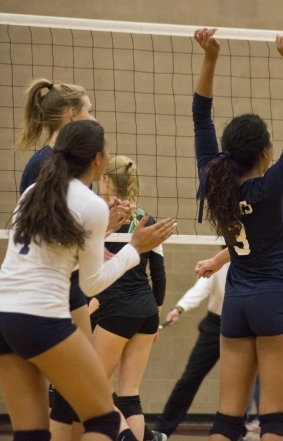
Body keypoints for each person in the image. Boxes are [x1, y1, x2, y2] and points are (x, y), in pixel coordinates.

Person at [0, 119, 175, 441]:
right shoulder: (90, 202)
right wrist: (135, 248)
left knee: (31, 432)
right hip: (40, 318)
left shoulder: (33, 191)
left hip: (4, 316)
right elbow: (90, 285)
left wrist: (102, 230)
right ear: (97, 158)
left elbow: (52, 247)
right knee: (104, 421)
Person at [193, 28, 283, 441]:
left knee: (227, 421)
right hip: (277, 296)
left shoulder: (213, 179)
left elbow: (200, 115)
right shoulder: (269, 187)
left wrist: (209, 58)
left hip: (237, 302)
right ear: (264, 153)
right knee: (276, 420)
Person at [17, 79, 132, 440]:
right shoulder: (45, 168)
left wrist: (105, 226)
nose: (93, 117)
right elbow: (53, 240)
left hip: (33, 296)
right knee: (89, 395)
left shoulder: (53, 173)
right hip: (55, 293)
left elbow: (65, 232)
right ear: (71, 115)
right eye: (89, 110)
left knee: (80, 391)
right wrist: (131, 248)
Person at [93, 155, 168, 441]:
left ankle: (125, 436)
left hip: (116, 309)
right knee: (129, 393)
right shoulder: (146, 218)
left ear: (108, 181)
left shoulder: (101, 215)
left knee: (94, 386)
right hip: (147, 311)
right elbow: (159, 276)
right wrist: (157, 317)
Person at [154, 261, 229, 437]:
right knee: (189, 379)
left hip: (241, 326)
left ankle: (237, 433)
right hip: (214, 326)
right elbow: (199, 289)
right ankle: (161, 431)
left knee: (240, 384)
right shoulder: (219, 264)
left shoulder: (256, 262)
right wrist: (179, 309)